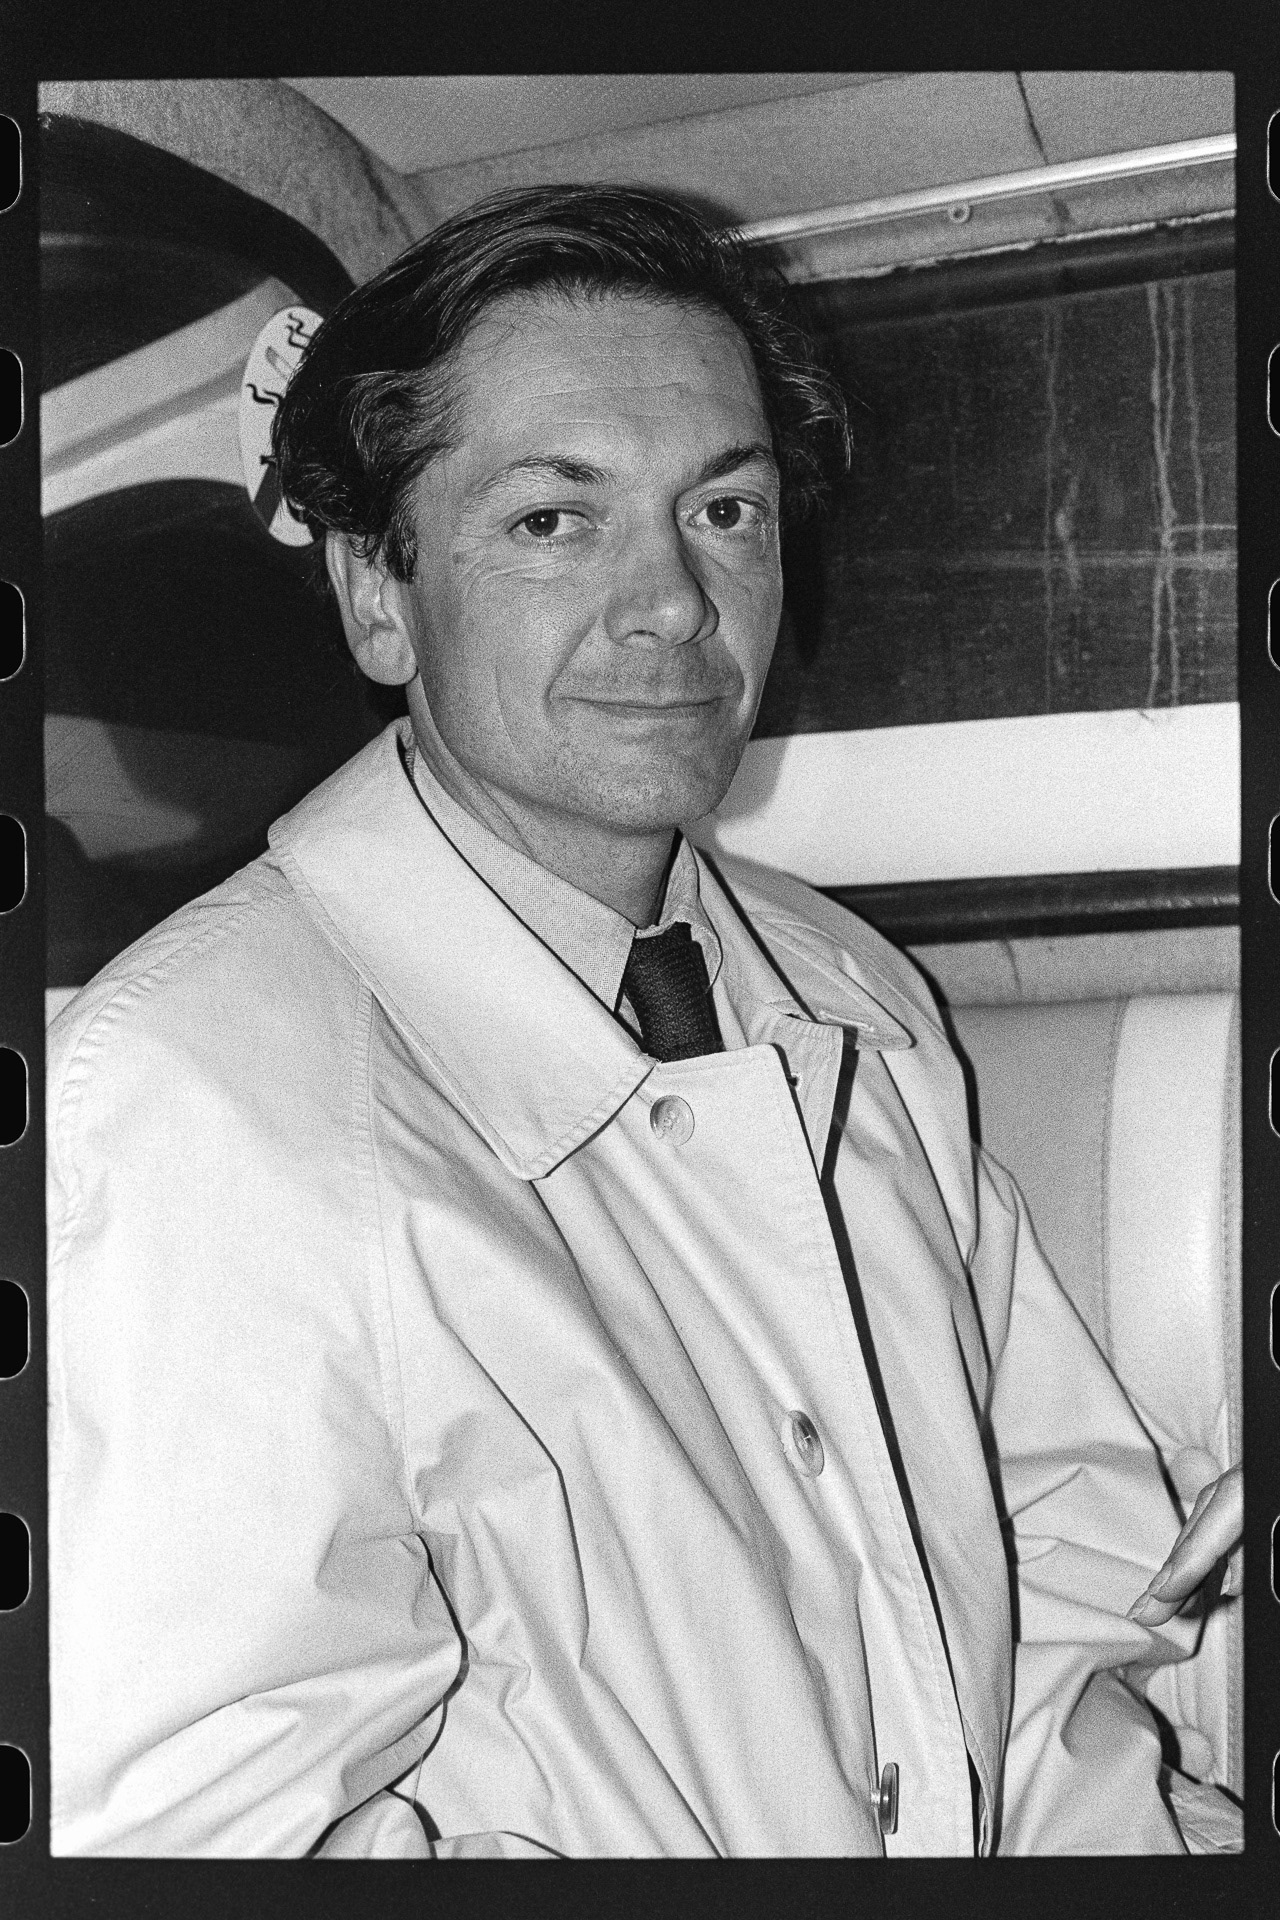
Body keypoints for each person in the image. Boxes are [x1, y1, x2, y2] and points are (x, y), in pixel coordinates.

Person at [46, 184, 1241, 1859]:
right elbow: (205, 1837)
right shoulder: (198, 1091)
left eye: (726, 509)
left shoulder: (854, 991)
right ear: (378, 594)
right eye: (555, 519)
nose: (674, 600)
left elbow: (1056, 1570)